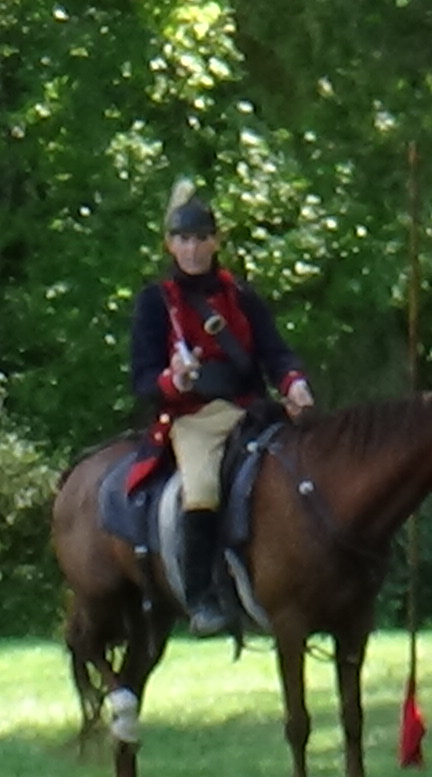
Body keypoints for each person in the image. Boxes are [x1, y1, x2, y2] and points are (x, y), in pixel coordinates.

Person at [128, 181, 315, 637]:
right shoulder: (157, 303)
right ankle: (201, 597)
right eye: (183, 240)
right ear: (170, 244)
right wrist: (175, 379)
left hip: (250, 409)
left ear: (215, 241)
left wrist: (295, 383)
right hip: (193, 418)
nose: (192, 249)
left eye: (200, 239)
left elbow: (275, 352)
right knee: (203, 488)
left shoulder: (242, 296)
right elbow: (143, 378)